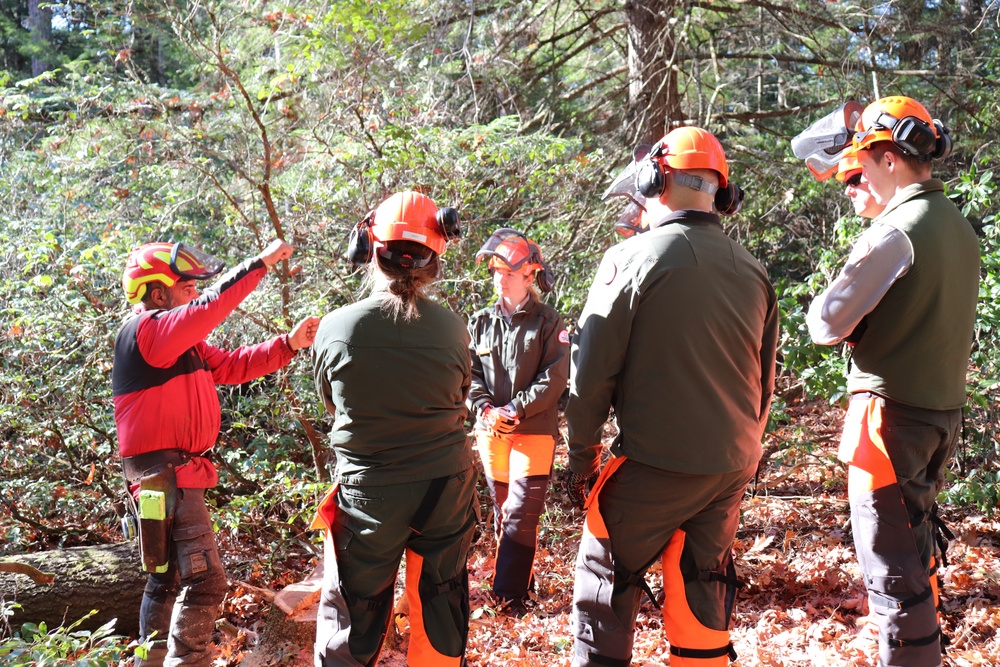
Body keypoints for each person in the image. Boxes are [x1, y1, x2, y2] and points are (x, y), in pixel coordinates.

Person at [565, 126, 778, 667]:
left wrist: (583, 457)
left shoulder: (629, 260)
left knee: (603, 573)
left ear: (653, 179)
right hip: (731, 464)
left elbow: (590, 379)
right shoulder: (752, 271)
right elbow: (764, 382)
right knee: (701, 581)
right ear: (722, 192)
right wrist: (742, 453)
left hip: (656, 461)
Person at [807, 96, 980, 667]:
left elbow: (825, 323)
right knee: (916, 551)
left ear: (889, 158)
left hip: (888, 419)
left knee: (891, 572)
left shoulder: (896, 231)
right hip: (939, 413)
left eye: (861, 165)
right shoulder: (957, 225)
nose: (855, 178)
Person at [113, 239, 320, 667]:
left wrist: (289, 344)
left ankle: (149, 663)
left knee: (164, 581)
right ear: (157, 293)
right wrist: (259, 264)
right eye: (185, 287)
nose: (192, 295)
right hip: (168, 476)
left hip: (163, 476)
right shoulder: (148, 332)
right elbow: (209, 308)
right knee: (206, 583)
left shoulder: (178, 344)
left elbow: (232, 366)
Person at [310, 190, 477, 667]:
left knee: (353, 614)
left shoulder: (337, 327)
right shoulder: (454, 328)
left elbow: (330, 400)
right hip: (446, 489)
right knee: (441, 602)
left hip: (369, 493)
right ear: (435, 259)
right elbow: (460, 396)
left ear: (369, 250)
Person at [467, 228, 570, 614]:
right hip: (491, 429)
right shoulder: (479, 322)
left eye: (509, 273)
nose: (500, 279)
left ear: (530, 275)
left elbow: (555, 377)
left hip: (534, 430)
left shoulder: (549, 322)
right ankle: (515, 579)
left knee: (522, 510)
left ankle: (509, 598)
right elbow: (468, 375)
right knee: (502, 508)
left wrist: (517, 409)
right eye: (496, 272)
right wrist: (485, 408)